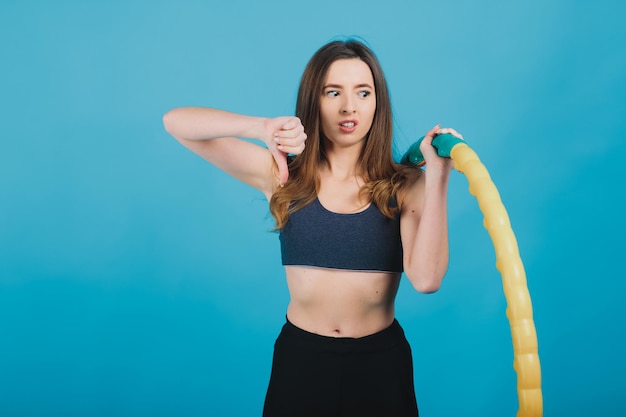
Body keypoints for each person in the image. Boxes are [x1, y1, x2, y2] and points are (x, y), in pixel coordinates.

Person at [163, 39, 462, 417]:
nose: (348, 106)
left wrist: (437, 177)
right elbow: (175, 122)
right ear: (313, 101)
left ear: (377, 103)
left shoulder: (404, 185)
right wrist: (261, 127)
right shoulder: (284, 175)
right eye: (332, 92)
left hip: (380, 365)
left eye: (363, 92)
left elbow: (427, 279)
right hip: (301, 360)